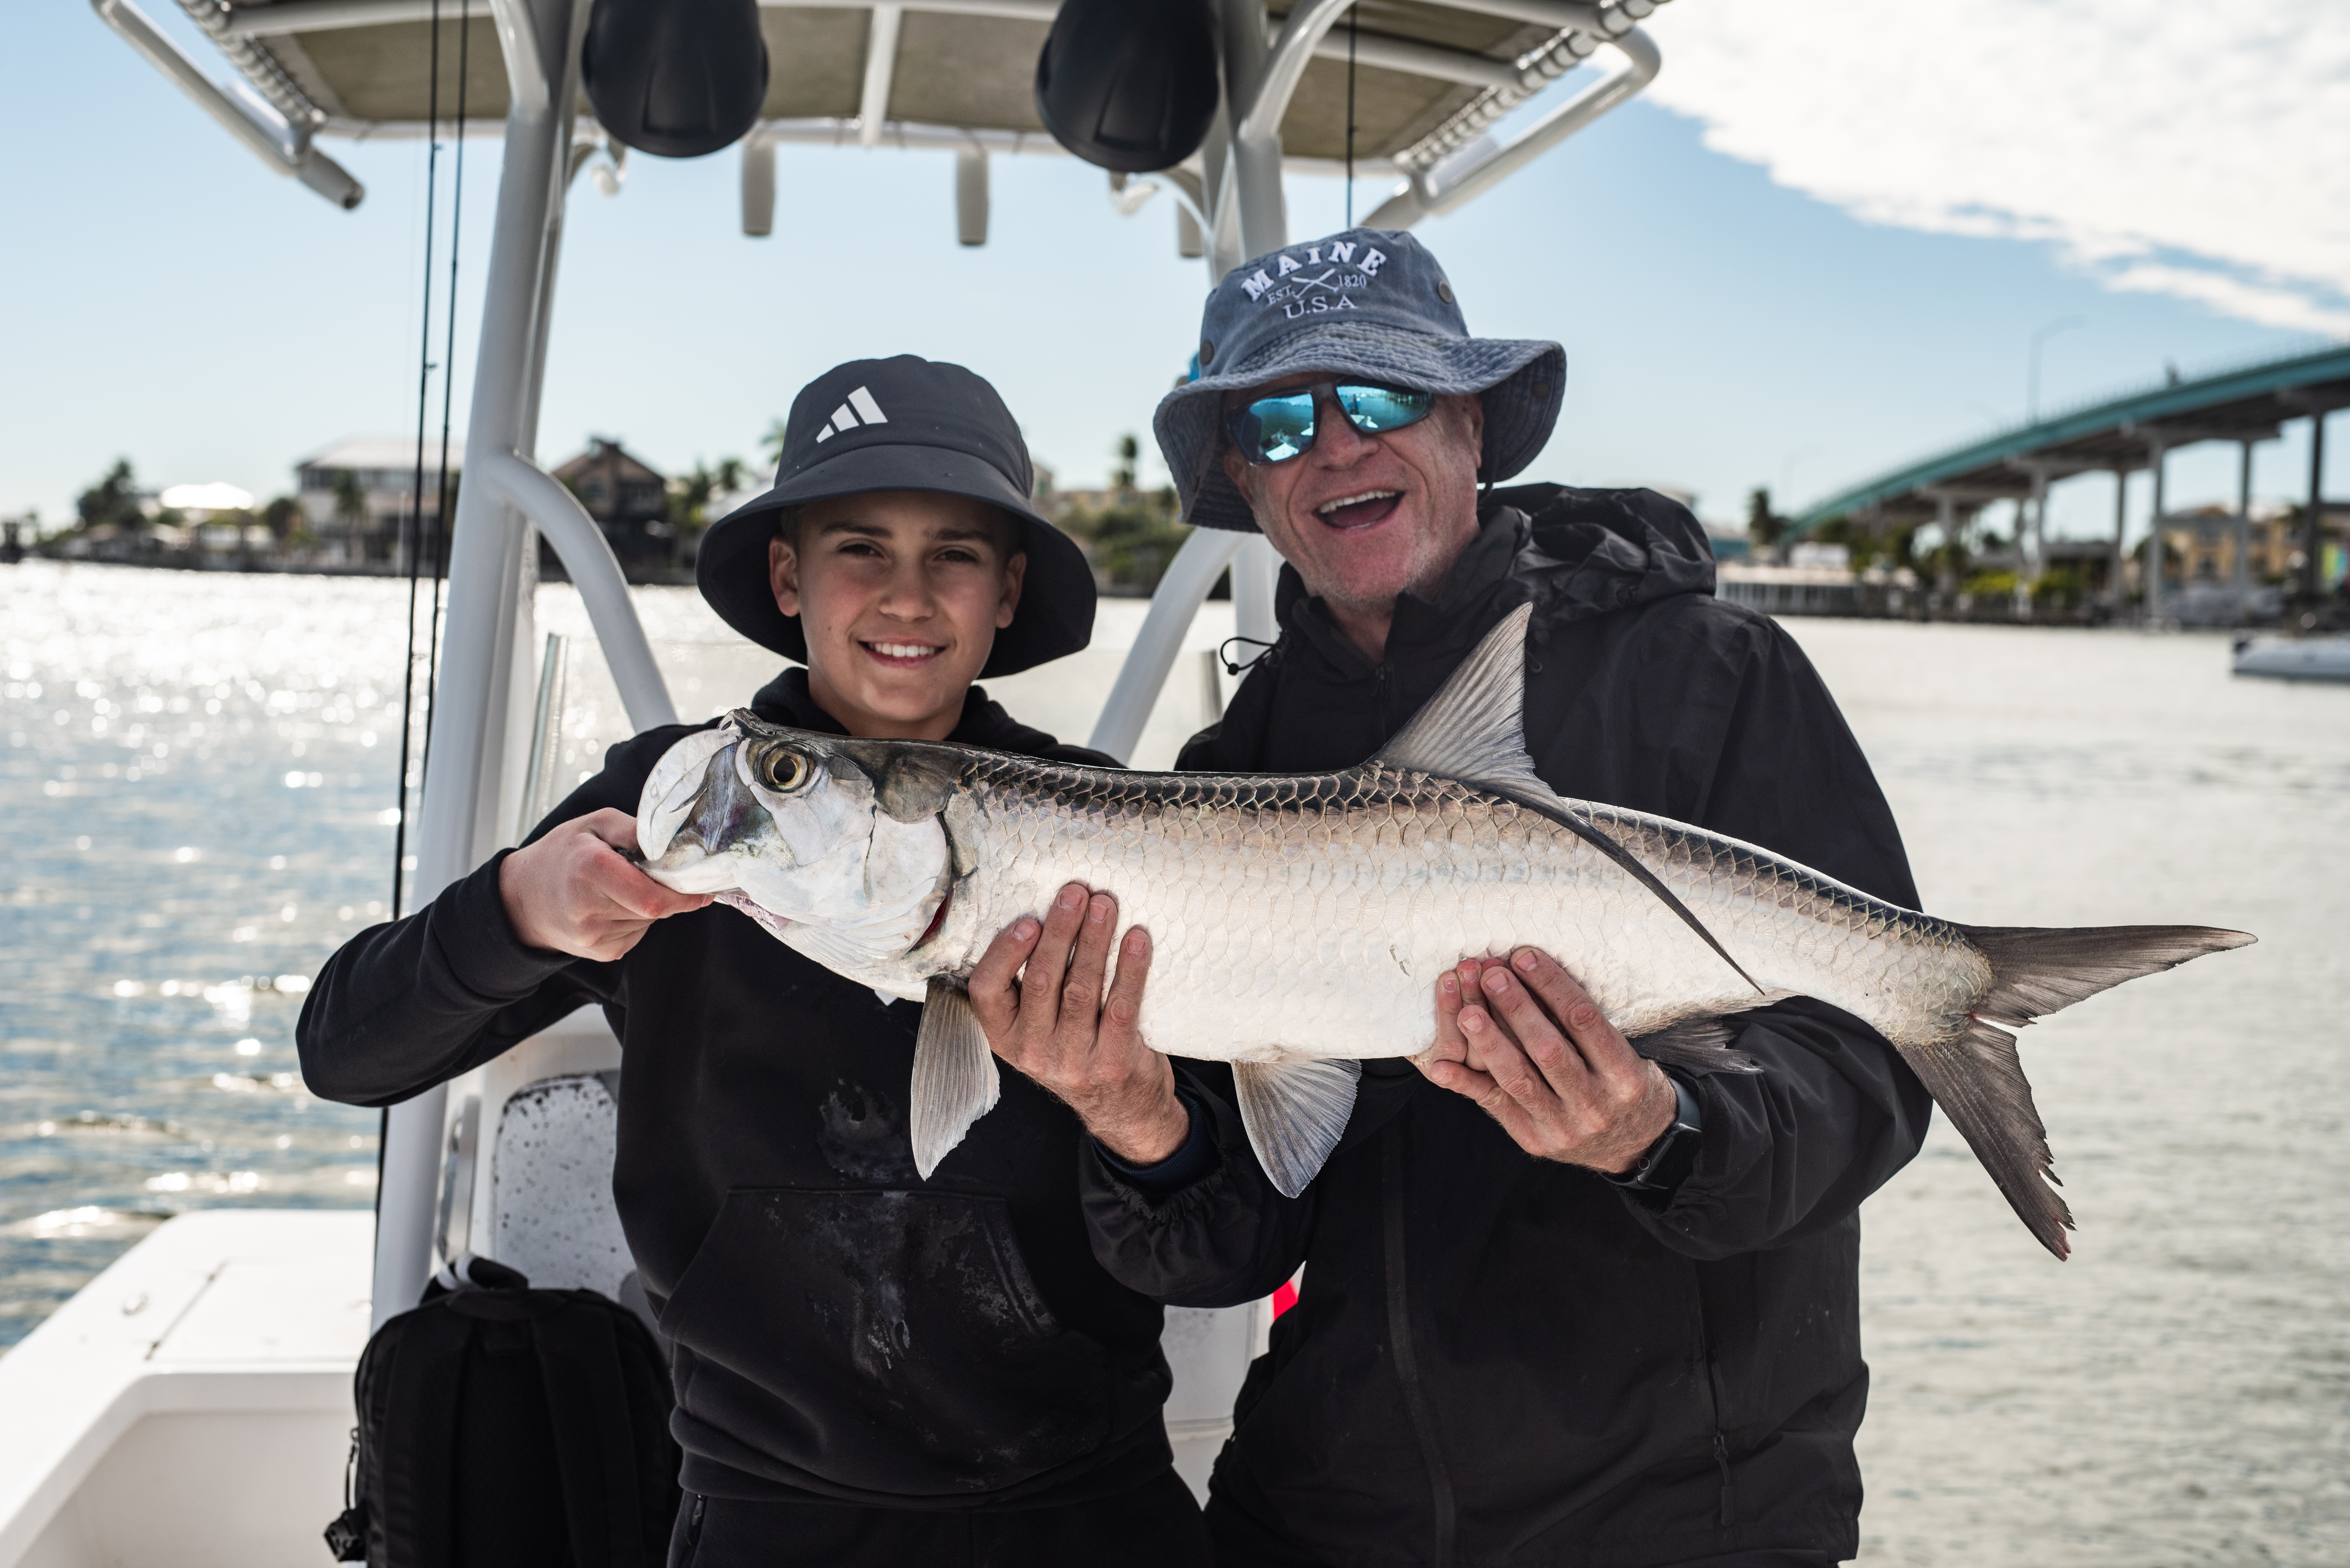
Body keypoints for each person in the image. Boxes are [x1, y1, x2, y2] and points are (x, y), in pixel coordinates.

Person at [970, 230, 1933, 1566]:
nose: (1334, 446)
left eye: (1379, 399)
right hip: (1322, 1508)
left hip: (1680, 1525)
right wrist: (1128, 1113)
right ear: (1246, 481)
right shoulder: (1228, 776)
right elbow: (1235, 1236)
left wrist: (1661, 1132)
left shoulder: (1711, 676)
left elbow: (1870, 1069)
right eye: (1277, 420)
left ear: (1471, 424)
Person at [297, 356, 1211, 1566]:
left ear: (1007, 592)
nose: (906, 595)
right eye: (859, 548)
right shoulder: (679, 806)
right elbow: (347, 1052)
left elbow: (1227, 1237)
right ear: (787, 576)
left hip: (1090, 1501)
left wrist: (1130, 1105)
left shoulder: (1109, 826)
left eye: (954, 553)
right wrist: (518, 907)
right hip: (761, 1509)